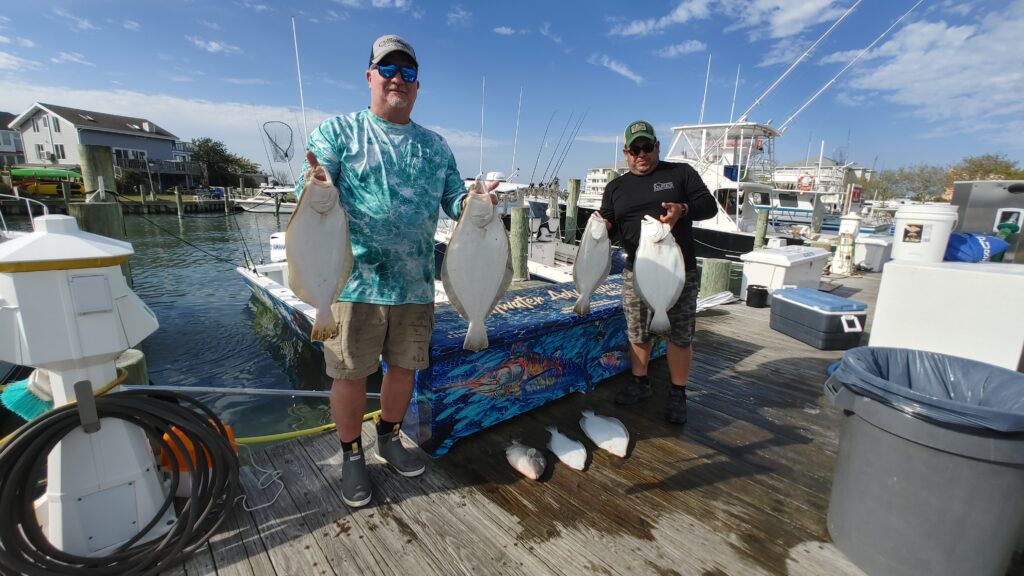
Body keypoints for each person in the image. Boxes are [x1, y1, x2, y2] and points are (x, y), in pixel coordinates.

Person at [295, 34, 495, 508]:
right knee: (347, 375)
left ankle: (388, 437)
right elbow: (318, 186)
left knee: (403, 370)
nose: (397, 80)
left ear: (418, 85)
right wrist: (316, 181)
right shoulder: (337, 133)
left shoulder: (435, 145)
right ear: (369, 77)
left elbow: (453, 200)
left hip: (413, 284)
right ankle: (350, 456)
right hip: (351, 282)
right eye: (387, 69)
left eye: (407, 72)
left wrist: (476, 201)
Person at [598, 120, 716, 425]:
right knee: (638, 330)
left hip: (679, 271)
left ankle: (678, 392)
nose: (642, 154)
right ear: (626, 152)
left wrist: (683, 210)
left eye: (647, 147)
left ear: (657, 147)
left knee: (680, 335)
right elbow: (610, 226)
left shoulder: (680, 174)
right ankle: (640, 382)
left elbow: (709, 205)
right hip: (637, 271)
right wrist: (603, 227)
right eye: (635, 149)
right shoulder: (616, 187)